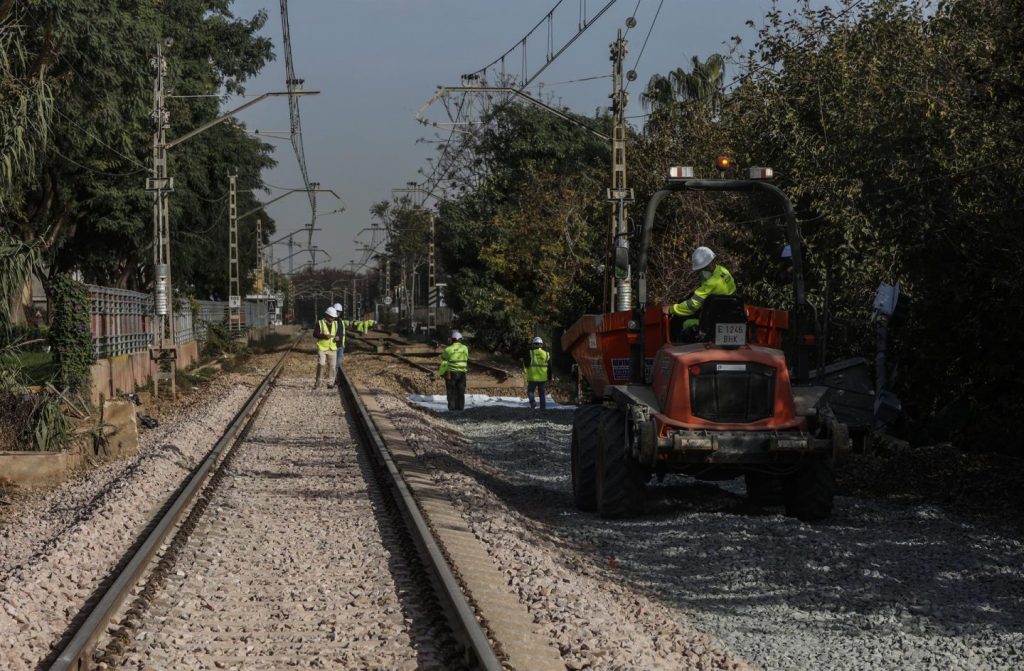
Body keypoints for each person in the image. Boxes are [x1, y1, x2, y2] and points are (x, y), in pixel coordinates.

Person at [662, 245, 737, 332]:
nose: (701, 272)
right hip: (727, 316)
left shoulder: (710, 283)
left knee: (684, 323)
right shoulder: (723, 271)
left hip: (712, 322)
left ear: (711, 263)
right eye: (700, 270)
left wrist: (672, 309)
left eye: (703, 269)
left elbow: (691, 306)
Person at [437, 330, 469, 411]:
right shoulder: (465, 348)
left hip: (451, 373)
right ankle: (460, 408)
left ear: (452, 339)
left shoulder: (448, 349)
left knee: (451, 391)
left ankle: (452, 408)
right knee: (461, 391)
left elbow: (444, 359)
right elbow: (466, 357)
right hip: (462, 373)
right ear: (460, 339)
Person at [313, 306, 339, 389]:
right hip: (322, 348)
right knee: (321, 364)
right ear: (327, 315)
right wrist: (324, 336)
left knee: (332, 366)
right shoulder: (320, 323)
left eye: (334, 317)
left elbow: (339, 334)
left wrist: (338, 338)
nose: (332, 318)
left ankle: (330, 383)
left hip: (332, 348)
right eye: (331, 317)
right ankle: (318, 382)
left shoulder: (335, 323)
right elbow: (315, 334)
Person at [522, 336, 551, 410]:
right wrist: (550, 377)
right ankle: (543, 407)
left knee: (530, 391)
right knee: (542, 393)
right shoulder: (546, 354)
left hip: (533, 378)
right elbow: (550, 367)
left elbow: (526, 364)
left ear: (533, 344)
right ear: (542, 344)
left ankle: (533, 403)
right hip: (543, 378)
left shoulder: (530, 353)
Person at [332, 303, 348, 383]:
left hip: (341, 346)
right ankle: (333, 379)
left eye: (339, 311)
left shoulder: (341, 321)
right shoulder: (330, 320)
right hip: (333, 346)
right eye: (336, 311)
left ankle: (334, 378)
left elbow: (343, 334)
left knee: (338, 364)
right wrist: (333, 338)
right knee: (333, 364)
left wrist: (343, 344)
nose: (338, 312)